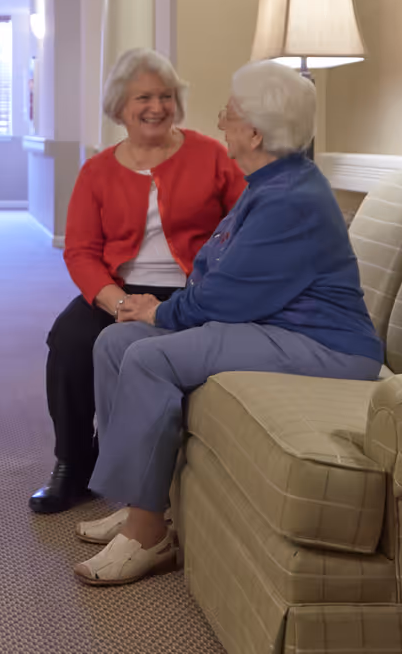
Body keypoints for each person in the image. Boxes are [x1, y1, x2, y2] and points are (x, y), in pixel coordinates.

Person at [73, 60, 384, 586]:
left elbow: (225, 296)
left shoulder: (289, 199)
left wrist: (159, 311)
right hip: (274, 325)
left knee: (147, 354)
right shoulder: (267, 183)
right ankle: (139, 501)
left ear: (255, 132)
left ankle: (150, 535)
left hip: (322, 345)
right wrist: (148, 311)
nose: (221, 122)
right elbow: (222, 274)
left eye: (230, 114)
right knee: (114, 342)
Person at [30, 49, 246, 515]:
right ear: (120, 107)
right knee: (68, 341)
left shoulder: (210, 155)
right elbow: (82, 251)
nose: (157, 107)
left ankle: (143, 470)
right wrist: (116, 303)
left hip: (195, 291)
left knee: (143, 353)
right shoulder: (97, 171)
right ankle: (72, 465)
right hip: (120, 290)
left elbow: (248, 224)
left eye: (166, 96)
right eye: (144, 97)